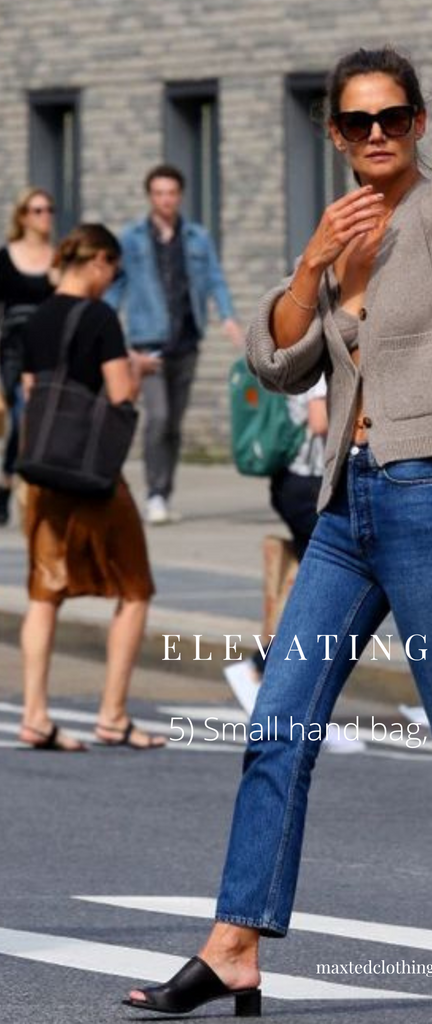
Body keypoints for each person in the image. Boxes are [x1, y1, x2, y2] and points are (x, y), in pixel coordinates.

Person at [125, 0, 432, 1018]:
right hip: (346, 516)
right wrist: (313, 266)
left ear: (420, 123)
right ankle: (235, 945)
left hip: (427, 501)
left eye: (393, 116)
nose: (376, 133)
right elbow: (274, 356)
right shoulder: (341, 232)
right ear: (334, 133)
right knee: (276, 728)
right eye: (356, 122)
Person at [18, 224, 165, 752]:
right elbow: (120, 394)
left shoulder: (36, 318)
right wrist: (139, 369)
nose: (112, 280)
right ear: (99, 261)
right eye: (114, 270)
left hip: (42, 473)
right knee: (134, 588)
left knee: (44, 592)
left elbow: (33, 391)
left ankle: (35, 715)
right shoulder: (101, 317)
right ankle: (113, 715)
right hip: (91, 476)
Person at [105, 164, 244, 526]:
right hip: (147, 343)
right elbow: (116, 286)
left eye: (171, 193)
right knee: (159, 417)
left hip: (186, 340)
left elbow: (215, 279)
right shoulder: (132, 238)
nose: (165, 200)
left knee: (174, 424)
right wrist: (103, 327)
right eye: (159, 193)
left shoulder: (196, 237)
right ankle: (153, 494)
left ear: (179, 196)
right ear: (150, 197)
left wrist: (228, 317)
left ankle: (164, 493)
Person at [224, 378, 329, 715]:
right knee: (326, 590)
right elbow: (320, 421)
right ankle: (261, 667)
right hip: (307, 485)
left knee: (316, 590)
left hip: (297, 485)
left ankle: (270, 675)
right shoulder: (323, 361)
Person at [0, 187, 56, 525]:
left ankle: (22, 484)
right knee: (22, 416)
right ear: (23, 216)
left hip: (48, 349)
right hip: (13, 351)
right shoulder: (5, 258)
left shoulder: (58, 258)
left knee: (38, 418)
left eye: (49, 209)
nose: (45, 215)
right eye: (37, 210)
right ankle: (9, 481)